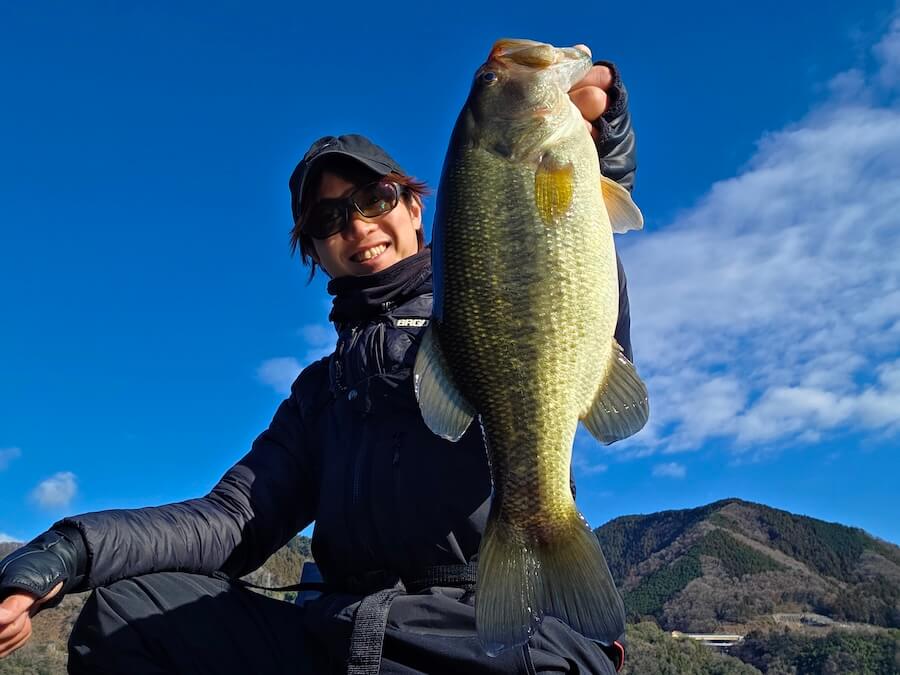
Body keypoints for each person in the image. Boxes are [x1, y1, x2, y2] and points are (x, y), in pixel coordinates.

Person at [0, 55, 638, 674]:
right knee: (126, 614)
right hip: (344, 639)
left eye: (375, 197)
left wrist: (600, 152)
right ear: (313, 250)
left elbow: (556, 274)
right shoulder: (319, 395)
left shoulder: (480, 308)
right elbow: (231, 522)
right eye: (329, 218)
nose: (357, 226)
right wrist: (69, 549)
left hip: (486, 636)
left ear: (415, 208)